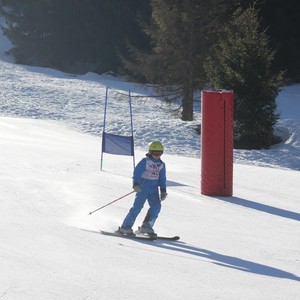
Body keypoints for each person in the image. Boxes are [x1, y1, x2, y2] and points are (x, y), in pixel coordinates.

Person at [117, 141, 167, 236]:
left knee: (156, 207)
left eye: (160, 153)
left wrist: (163, 190)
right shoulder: (145, 161)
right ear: (150, 152)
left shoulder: (161, 165)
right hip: (143, 187)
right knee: (137, 207)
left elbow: (163, 178)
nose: (157, 155)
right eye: (155, 153)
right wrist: (135, 184)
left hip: (154, 190)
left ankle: (146, 226)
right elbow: (137, 172)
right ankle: (125, 227)